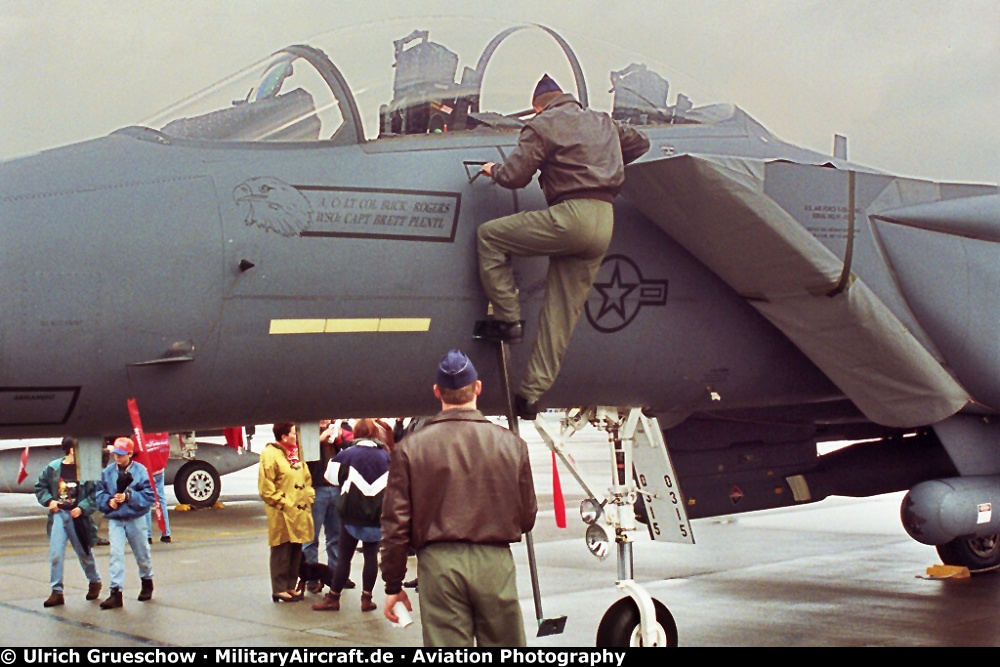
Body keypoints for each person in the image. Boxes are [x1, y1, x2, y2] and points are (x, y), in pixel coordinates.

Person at [477, 73, 650, 419]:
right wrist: (603, 162)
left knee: (490, 236)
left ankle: (508, 319)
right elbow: (640, 142)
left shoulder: (543, 125)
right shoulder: (602, 122)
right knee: (561, 315)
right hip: (604, 220)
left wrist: (493, 170)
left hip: (571, 216)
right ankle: (530, 396)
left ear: (537, 106)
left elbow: (515, 177)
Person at [381, 349, 537, 646]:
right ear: (477, 387)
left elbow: (395, 525)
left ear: (437, 392)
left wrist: (393, 584)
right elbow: (527, 516)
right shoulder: (512, 445)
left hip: (439, 565)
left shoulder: (410, 448)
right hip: (494, 561)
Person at [312, 419, 391, 614]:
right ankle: (366, 599)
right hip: (376, 513)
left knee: (344, 557)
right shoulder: (386, 456)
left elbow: (329, 477)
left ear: (356, 433)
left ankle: (333, 598)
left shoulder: (346, 455)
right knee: (371, 556)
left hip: (351, 512)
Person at [34, 437, 102, 607]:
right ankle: (56, 591)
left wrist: (82, 507)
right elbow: (40, 487)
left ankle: (94, 581)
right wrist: (50, 501)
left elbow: (96, 493)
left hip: (78, 516)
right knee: (56, 554)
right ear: (71, 449)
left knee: (84, 551)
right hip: (60, 515)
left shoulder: (87, 469)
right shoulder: (53, 468)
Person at [95, 437, 155, 609]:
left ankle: (147, 580)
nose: (117, 458)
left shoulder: (140, 471)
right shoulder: (107, 473)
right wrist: (108, 502)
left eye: (121, 455)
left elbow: (149, 495)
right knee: (116, 554)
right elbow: (99, 493)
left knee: (142, 553)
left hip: (136, 518)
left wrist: (129, 497)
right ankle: (116, 591)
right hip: (116, 519)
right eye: (115, 454)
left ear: (130, 454)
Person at [258, 422, 314, 602]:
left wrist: (308, 497)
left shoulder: (296, 454)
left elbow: (307, 480)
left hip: (299, 510)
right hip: (281, 511)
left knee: (296, 548)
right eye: (293, 433)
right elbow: (266, 488)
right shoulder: (270, 455)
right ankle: (279, 588)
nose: (296, 437)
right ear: (283, 436)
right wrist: (285, 504)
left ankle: (291, 585)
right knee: (281, 549)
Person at [302, 419, 354, 594]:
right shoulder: (307, 431)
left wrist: (339, 438)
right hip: (317, 487)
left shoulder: (339, 430)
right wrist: (319, 439)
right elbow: (301, 456)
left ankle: (335, 576)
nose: (326, 421)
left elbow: (350, 452)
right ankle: (311, 576)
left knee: (336, 536)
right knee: (311, 537)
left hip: (335, 487)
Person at [145, 469, 171, 544]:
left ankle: (147, 536)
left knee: (146, 500)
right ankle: (166, 534)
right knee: (161, 499)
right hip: (159, 469)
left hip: (145, 470)